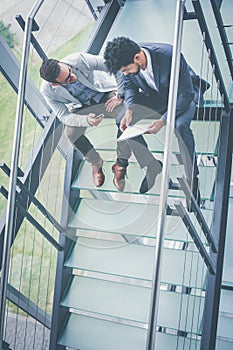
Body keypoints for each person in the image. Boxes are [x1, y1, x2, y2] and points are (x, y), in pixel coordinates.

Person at [104, 37, 210, 209]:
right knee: (120, 120)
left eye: (126, 69)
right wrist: (130, 109)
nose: (125, 74)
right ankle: (151, 165)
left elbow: (186, 95)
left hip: (184, 94)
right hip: (157, 95)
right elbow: (130, 86)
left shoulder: (169, 55)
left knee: (180, 126)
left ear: (137, 58)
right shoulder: (130, 66)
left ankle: (192, 177)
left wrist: (162, 121)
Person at [39, 52, 124, 187]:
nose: (73, 77)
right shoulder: (47, 91)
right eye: (67, 79)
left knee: (123, 115)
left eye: (70, 72)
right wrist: (86, 120)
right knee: (71, 133)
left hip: (103, 93)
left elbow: (115, 66)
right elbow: (64, 116)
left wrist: (120, 94)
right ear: (55, 84)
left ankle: (120, 164)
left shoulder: (78, 59)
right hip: (81, 105)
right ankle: (96, 162)